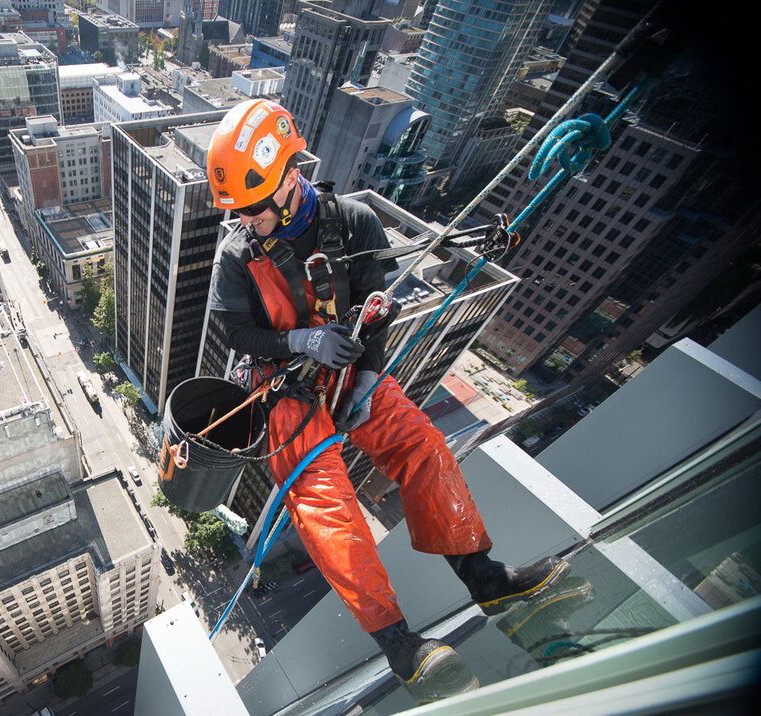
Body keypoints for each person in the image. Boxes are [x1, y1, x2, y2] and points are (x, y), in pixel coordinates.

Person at [204, 99, 568, 691]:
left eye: (251, 206)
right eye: (238, 211)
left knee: (421, 443)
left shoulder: (353, 223)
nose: (245, 220)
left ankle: (484, 576)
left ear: (290, 177)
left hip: (351, 369)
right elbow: (237, 331)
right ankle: (401, 645)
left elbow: (376, 311)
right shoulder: (238, 254)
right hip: (286, 387)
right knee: (324, 502)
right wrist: (301, 340)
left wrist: (368, 378)